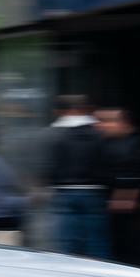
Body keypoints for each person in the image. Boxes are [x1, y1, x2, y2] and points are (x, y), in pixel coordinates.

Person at [44, 94, 111, 259]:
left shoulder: (60, 136)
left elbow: (53, 165)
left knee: (67, 242)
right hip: (94, 192)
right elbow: (108, 163)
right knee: (97, 240)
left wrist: (54, 183)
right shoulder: (100, 136)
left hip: (65, 191)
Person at [96, 108, 140, 262]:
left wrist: (126, 196)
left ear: (124, 123)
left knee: (124, 240)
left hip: (123, 198)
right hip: (116, 198)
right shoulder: (111, 142)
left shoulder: (134, 143)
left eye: (107, 121)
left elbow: (133, 171)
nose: (101, 126)